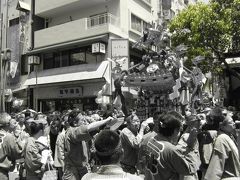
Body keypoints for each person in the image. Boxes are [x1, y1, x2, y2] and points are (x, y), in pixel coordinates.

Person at [139, 111, 199, 180]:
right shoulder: (170, 149)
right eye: (180, 130)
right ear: (175, 131)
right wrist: (190, 147)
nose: (180, 132)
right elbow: (190, 169)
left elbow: (141, 165)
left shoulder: (149, 139)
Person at [62, 110, 114, 180]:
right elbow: (88, 128)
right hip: (73, 173)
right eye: (82, 120)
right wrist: (106, 120)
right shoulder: (72, 131)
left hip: (82, 169)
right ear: (74, 123)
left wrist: (103, 126)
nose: (85, 122)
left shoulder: (76, 132)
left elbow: (90, 132)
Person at [204, 115, 240, 179]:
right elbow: (217, 163)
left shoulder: (230, 136)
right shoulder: (222, 139)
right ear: (222, 125)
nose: (234, 123)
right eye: (231, 122)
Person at [0, 113, 22, 180]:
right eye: (11, 121)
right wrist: (18, 139)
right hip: (1, 172)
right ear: (7, 124)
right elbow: (17, 152)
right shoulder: (8, 137)